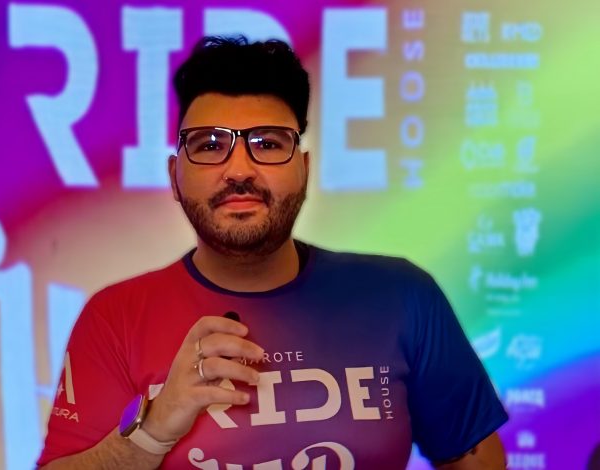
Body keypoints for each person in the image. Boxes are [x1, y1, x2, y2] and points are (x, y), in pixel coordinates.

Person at [37, 36, 508, 469]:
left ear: (304, 169)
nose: (239, 170)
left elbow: (478, 460)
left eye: (267, 144)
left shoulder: (402, 297)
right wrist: (154, 430)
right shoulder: (116, 318)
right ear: (175, 176)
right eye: (209, 146)